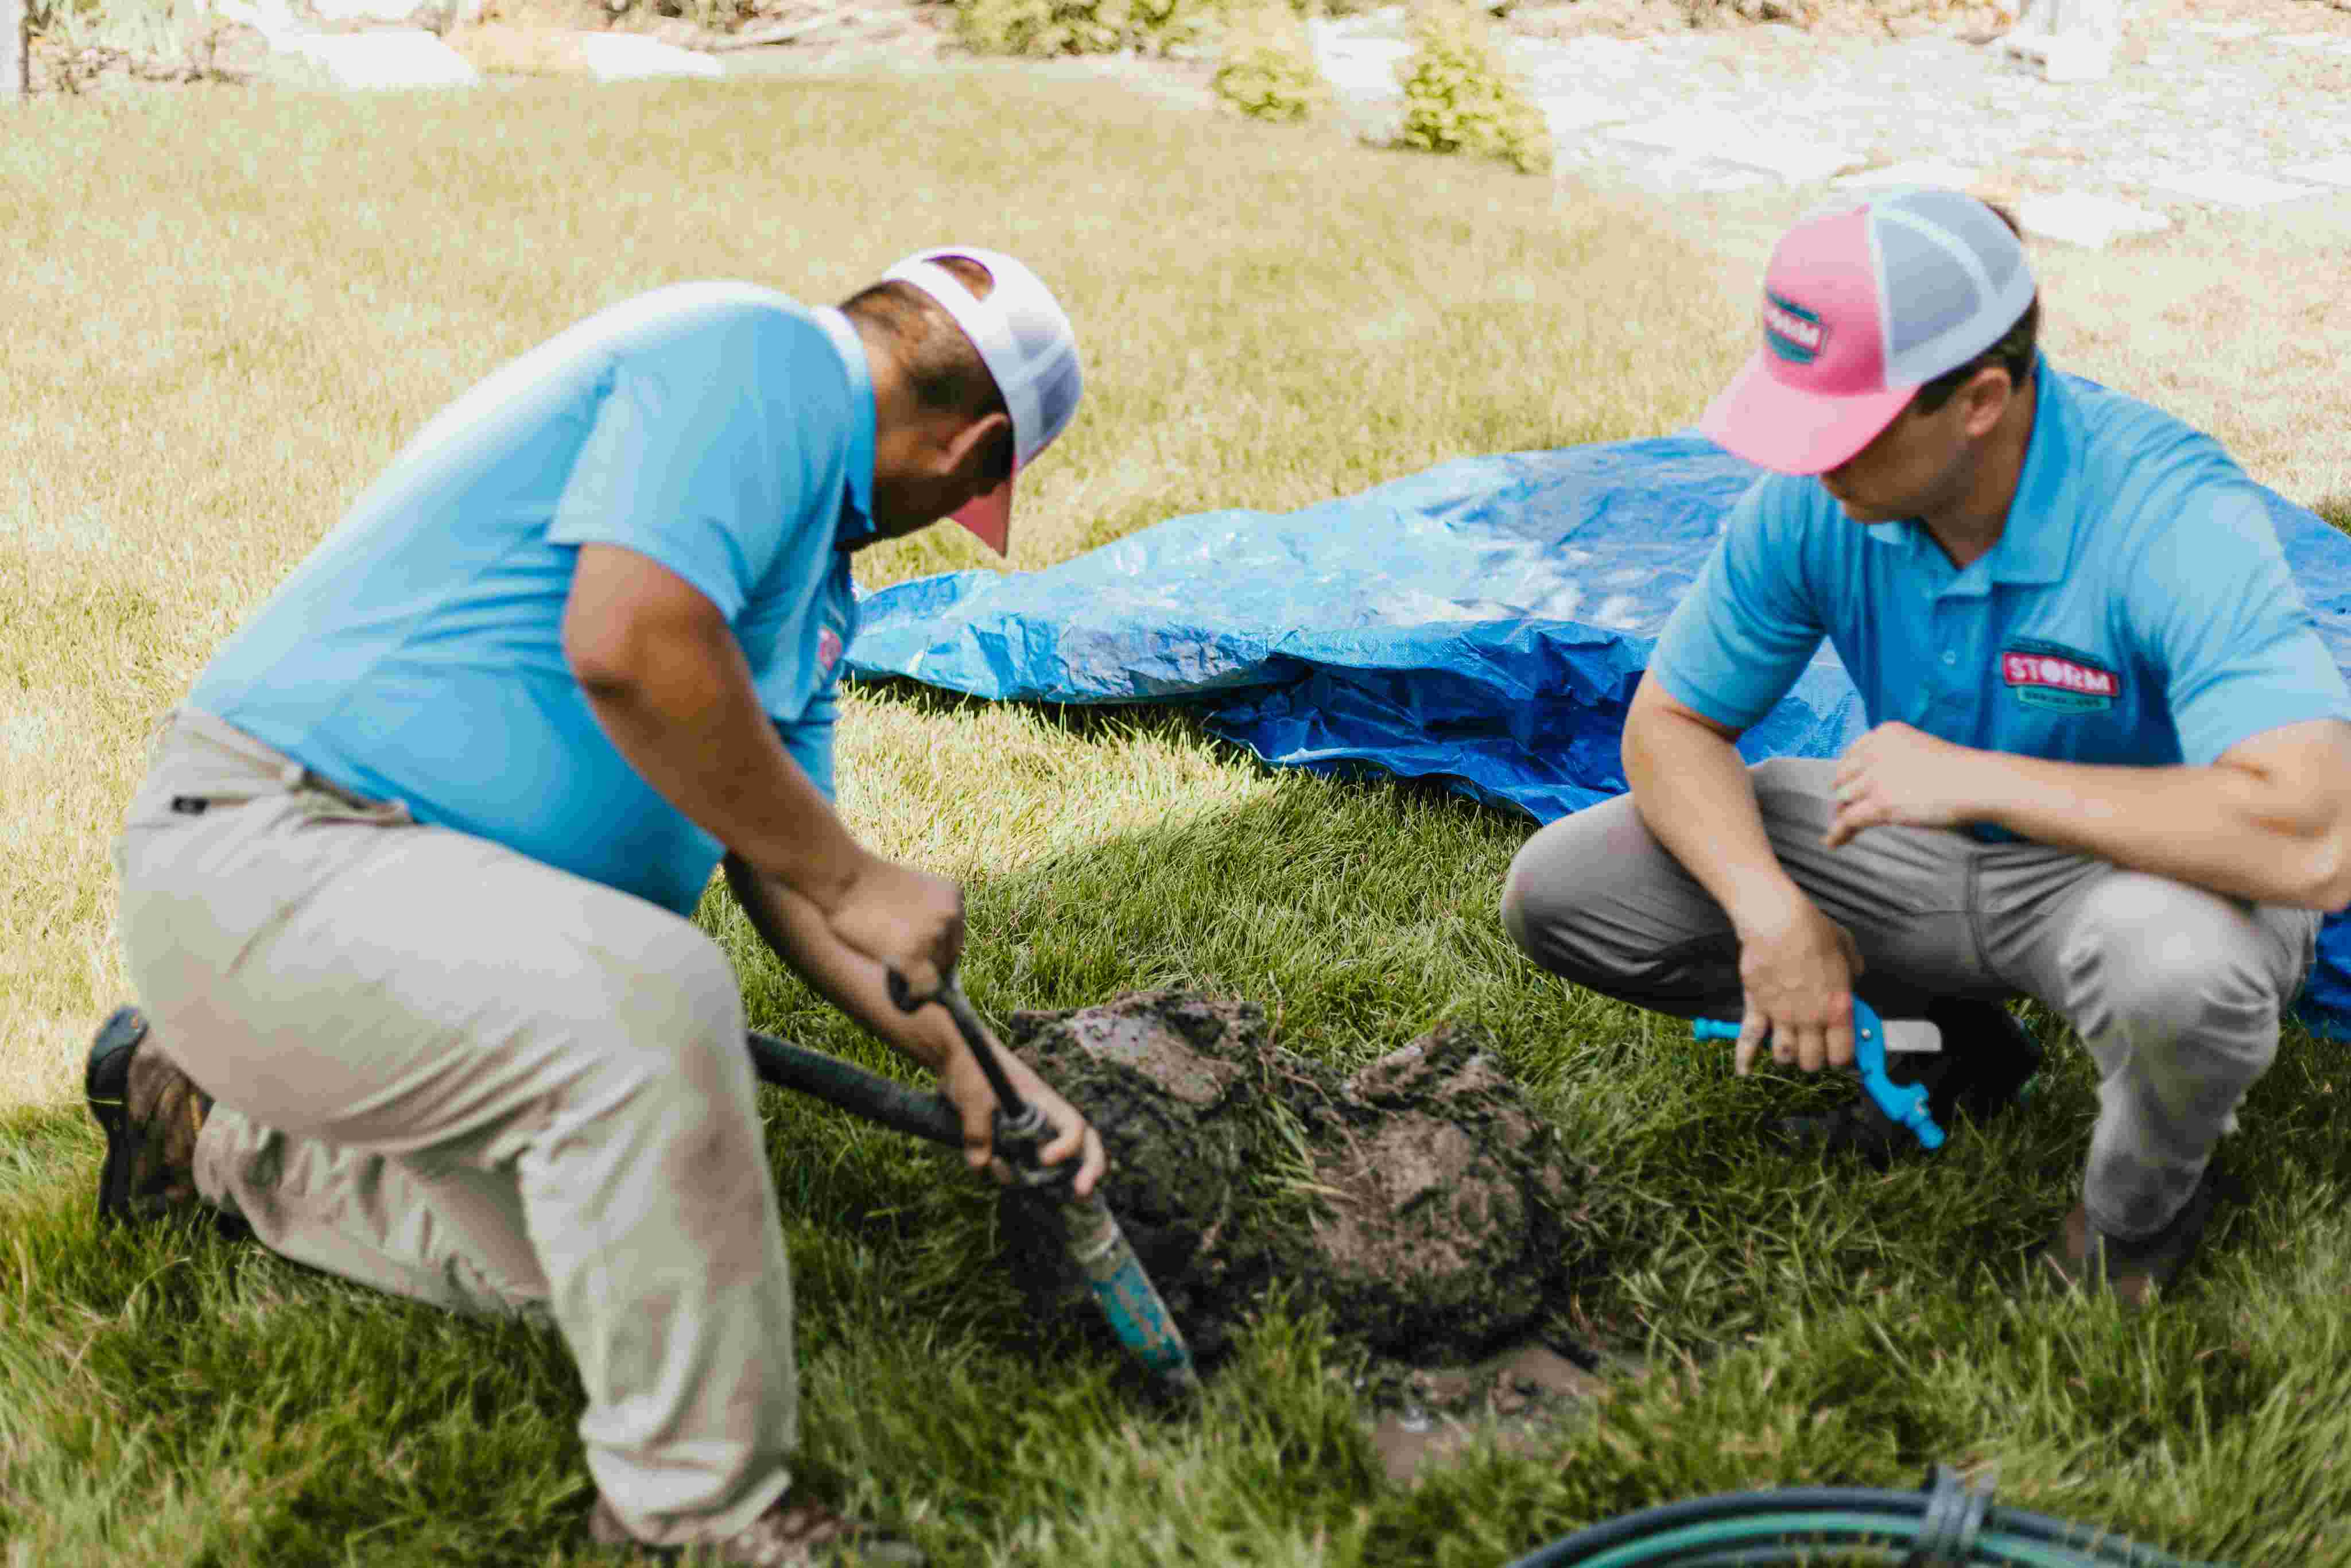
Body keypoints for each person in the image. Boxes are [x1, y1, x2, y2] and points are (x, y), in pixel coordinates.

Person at [86, 247, 1105, 1565]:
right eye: (968, 493)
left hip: (393, 942)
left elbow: (788, 872)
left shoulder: (813, 592)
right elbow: (629, 640)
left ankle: (206, 1126)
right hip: (281, 853)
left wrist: (977, 1068)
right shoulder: (760, 360)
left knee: (624, 1273)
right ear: (971, 450)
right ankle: (697, 1515)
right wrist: (861, 878)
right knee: (662, 994)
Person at [1500, 188, 2351, 1304]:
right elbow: (1668, 724)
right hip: (1916, 841)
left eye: (1842, 430)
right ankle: (1951, 1044)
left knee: (2176, 976)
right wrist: (1771, 913)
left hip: (2145, 869)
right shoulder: (1816, 503)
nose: (1815, 465)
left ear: (1978, 401)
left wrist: (1979, 777)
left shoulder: (2166, 517)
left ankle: (2136, 1214)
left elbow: (2311, 838)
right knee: (1564, 889)